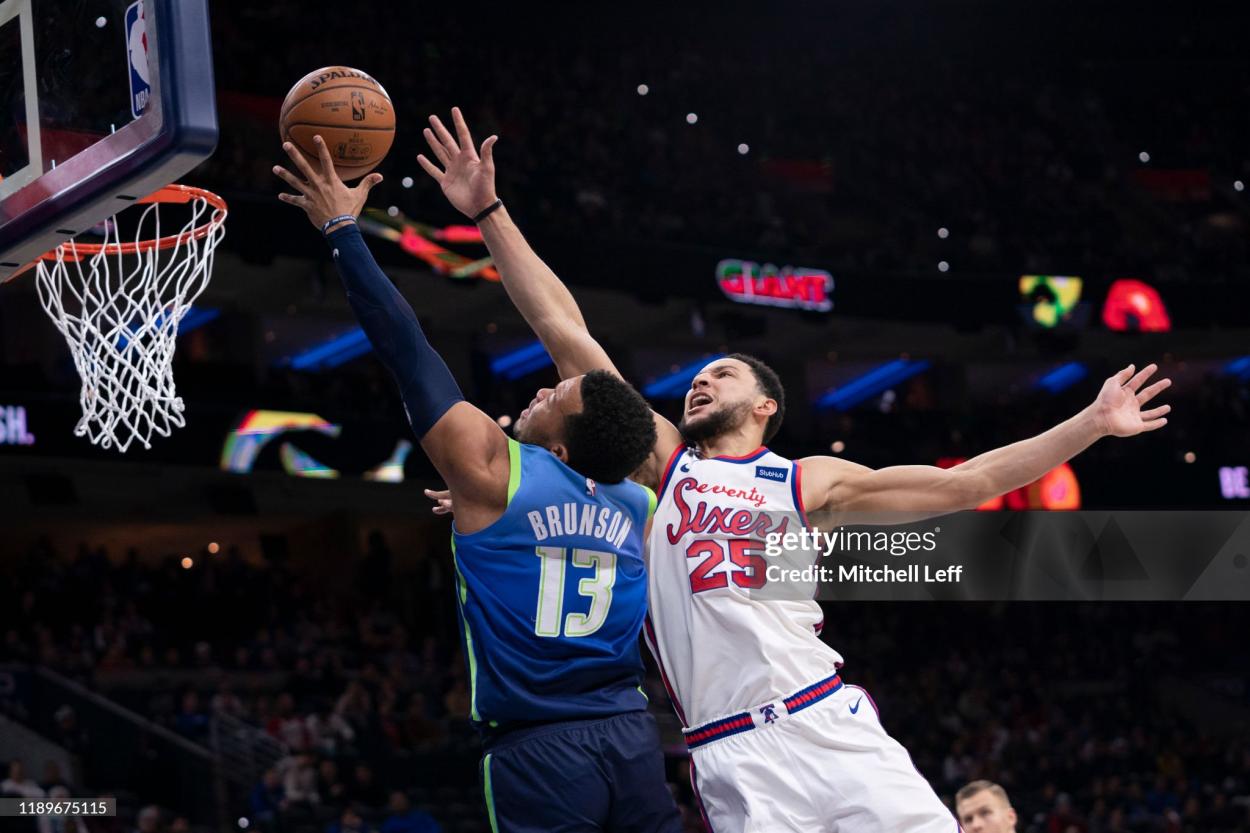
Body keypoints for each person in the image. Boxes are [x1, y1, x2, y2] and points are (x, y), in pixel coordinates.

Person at [417, 108, 1173, 832]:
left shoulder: (807, 482)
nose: (700, 383)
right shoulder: (662, 464)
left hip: (825, 717)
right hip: (731, 749)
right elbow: (561, 325)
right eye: (696, 377)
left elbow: (965, 484)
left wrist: (1092, 423)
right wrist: (490, 213)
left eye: (723, 374)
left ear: (766, 405)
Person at [274, 136, 681, 833]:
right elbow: (564, 330)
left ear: (560, 442)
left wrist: (342, 230)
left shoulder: (491, 472)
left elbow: (408, 350)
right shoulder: (643, 496)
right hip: (632, 739)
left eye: (555, 396)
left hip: (539, 746)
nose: (543, 388)